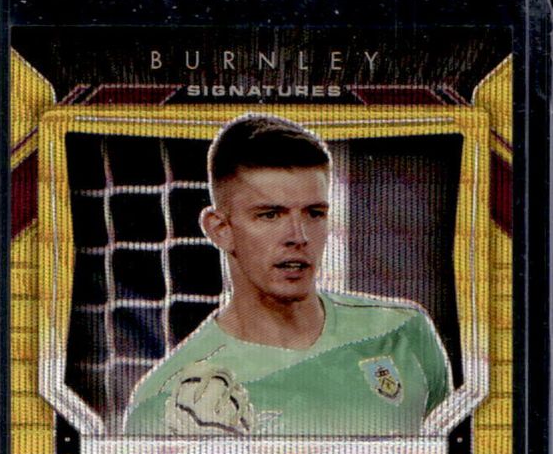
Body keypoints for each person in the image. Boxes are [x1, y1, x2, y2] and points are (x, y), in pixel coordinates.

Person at [124, 114, 451, 436]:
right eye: (270, 215)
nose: (298, 236)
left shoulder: (403, 333)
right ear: (220, 229)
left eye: (314, 213)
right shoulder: (166, 400)